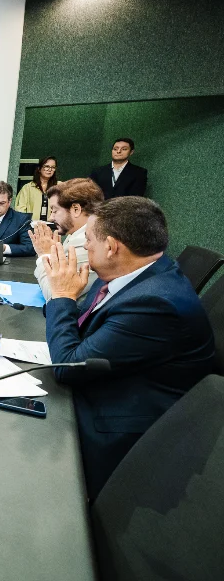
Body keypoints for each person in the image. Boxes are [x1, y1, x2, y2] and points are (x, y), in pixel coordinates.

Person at [43, 196, 216, 501]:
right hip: (116, 384)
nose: (85, 248)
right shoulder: (132, 270)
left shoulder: (156, 302)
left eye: (90, 241)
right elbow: (83, 326)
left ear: (112, 246)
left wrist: (61, 296)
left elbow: (69, 367)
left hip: (120, 426)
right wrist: (65, 298)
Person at [29, 178, 102, 301]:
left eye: (55, 210)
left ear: (76, 209)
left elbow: (55, 296)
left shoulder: (84, 243)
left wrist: (44, 256)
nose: (51, 218)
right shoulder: (73, 235)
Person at [15, 155, 58, 221]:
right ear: (39, 169)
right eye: (47, 166)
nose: (50, 169)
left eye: (53, 167)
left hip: (53, 226)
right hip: (32, 226)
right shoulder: (28, 187)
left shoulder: (59, 187)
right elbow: (20, 209)